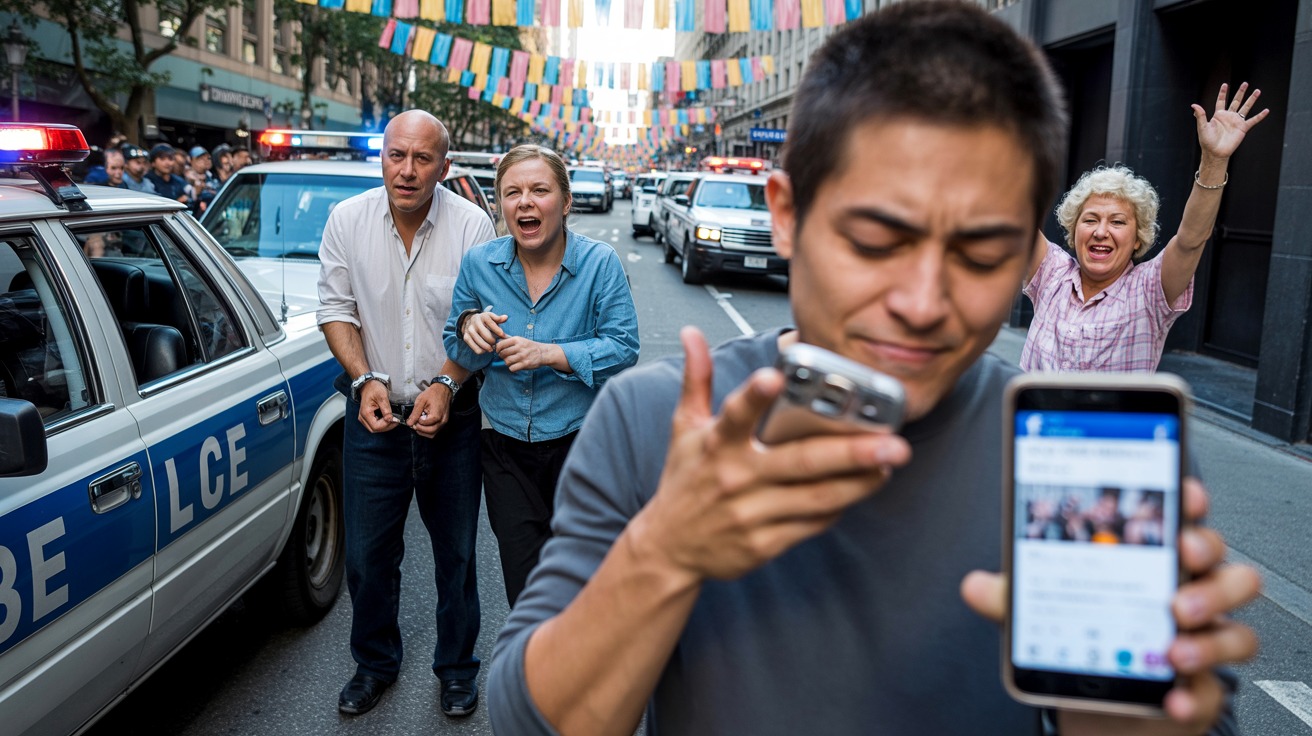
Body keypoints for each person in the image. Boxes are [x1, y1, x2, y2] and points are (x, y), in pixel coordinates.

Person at [487, 3, 1260, 735]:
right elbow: (534, 717)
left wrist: (1120, 711)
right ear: (786, 215)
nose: (924, 302)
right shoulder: (655, 420)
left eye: (981, 253)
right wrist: (666, 553)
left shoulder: (1084, 457)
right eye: (875, 240)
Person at [317, 109, 495, 719]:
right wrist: (364, 377)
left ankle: (456, 669)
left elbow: (484, 322)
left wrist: (448, 382)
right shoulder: (347, 220)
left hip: (455, 416)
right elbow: (336, 310)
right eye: (398, 155)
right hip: (374, 418)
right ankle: (374, 664)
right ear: (382, 158)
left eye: (423, 159)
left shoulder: (473, 225)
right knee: (367, 557)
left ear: (444, 167)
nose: (408, 170)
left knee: (458, 555)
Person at [441, 144, 639, 607]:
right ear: (501, 206)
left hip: (582, 445)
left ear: (565, 203)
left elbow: (624, 347)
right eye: (512, 193)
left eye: (539, 190)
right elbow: (455, 346)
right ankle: (538, 676)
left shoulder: (600, 263)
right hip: (505, 449)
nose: (525, 202)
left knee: (581, 582)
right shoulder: (479, 265)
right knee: (526, 587)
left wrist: (550, 354)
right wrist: (469, 327)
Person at [1020, 84, 1269, 372]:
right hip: (1035, 418)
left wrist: (1214, 160)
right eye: (1090, 220)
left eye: (1117, 222)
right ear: (1073, 232)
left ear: (1138, 240)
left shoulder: (1148, 290)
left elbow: (1191, 240)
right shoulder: (1052, 274)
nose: (1101, 231)